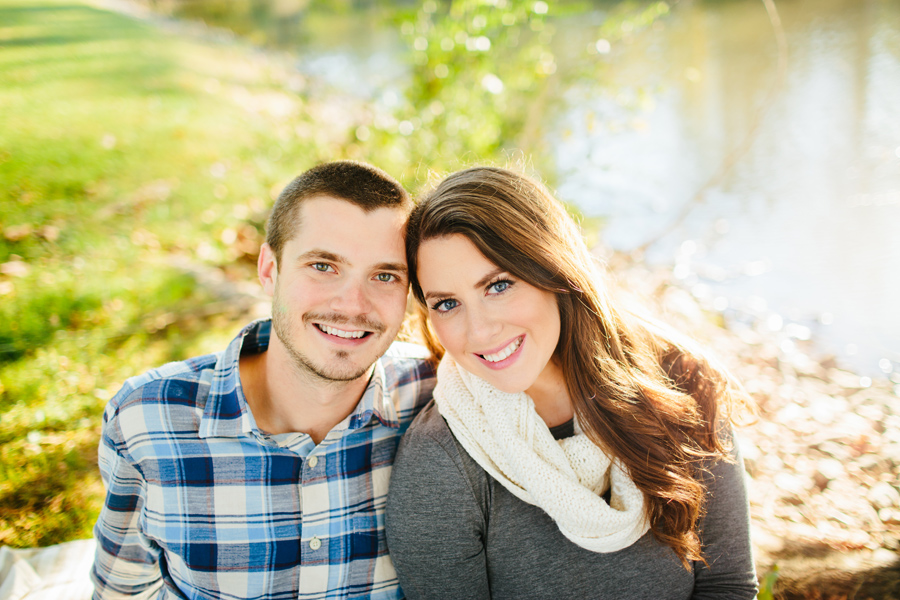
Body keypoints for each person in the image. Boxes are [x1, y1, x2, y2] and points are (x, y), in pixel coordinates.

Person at [385, 166, 758, 599]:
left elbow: (727, 585)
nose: (479, 331)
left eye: (499, 285)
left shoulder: (680, 386)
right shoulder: (440, 461)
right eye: (448, 303)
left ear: (553, 269)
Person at [91, 161, 436, 600]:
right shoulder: (149, 419)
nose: (353, 305)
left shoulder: (439, 396)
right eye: (323, 266)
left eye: (384, 275)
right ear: (269, 269)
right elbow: (123, 591)